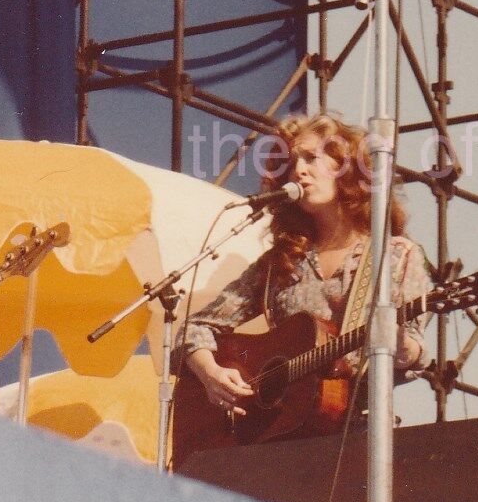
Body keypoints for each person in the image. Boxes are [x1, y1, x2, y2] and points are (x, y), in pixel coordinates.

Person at [181, 112, 432, 426]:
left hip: (354, 428)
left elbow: (414, 355)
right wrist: (211, 374)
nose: (298, 171)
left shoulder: (394, 256)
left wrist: (399, 344)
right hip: (279, 432)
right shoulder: (280, 264)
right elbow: (192, 329)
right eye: (292, 164)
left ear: (346, 168)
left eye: (311, 158)